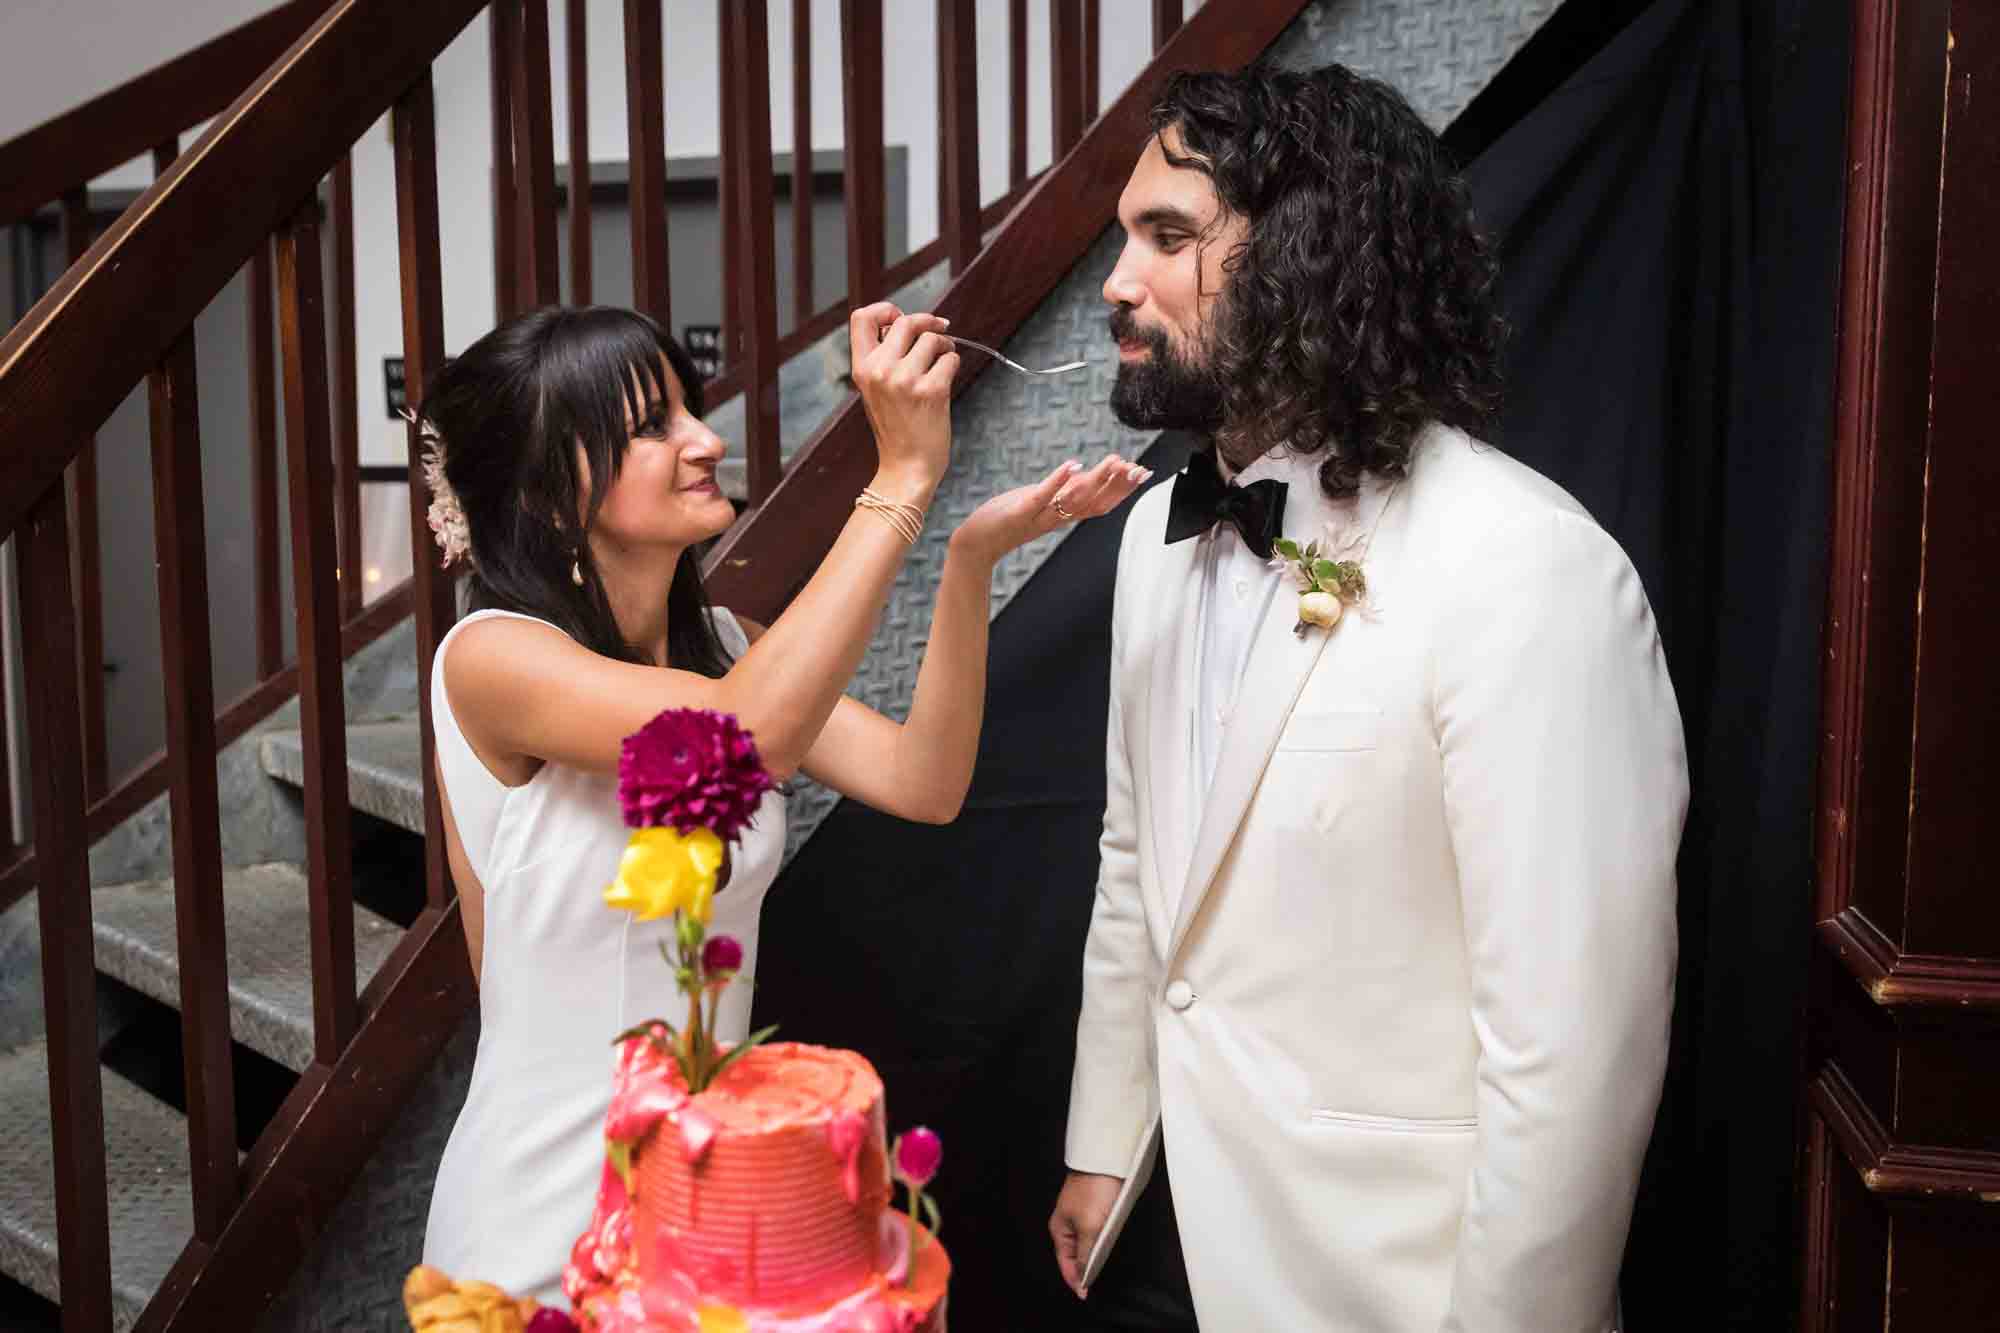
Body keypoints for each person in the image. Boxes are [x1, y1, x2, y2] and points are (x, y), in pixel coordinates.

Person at [1049, 63, 1687, 1332]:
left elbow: (1570, 1059)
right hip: (1158, 1232)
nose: (1115, 286)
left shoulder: (1524, 567)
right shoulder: (1148, 541)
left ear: (1303, 254)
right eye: (1124, 239)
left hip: (1384, 1280)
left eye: (1166, 237)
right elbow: (1137, 865)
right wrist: (1102, 1140)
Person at [414, 301, 1146, 1304]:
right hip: (540, 1203)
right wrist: (896, 479)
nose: (704, 440)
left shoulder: (726, 643)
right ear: (545, 492)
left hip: (702, 1206)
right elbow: (737, 737)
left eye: (689, 409)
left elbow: (921, 784)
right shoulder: (493, 659)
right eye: (650, 426)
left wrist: (970, 560)